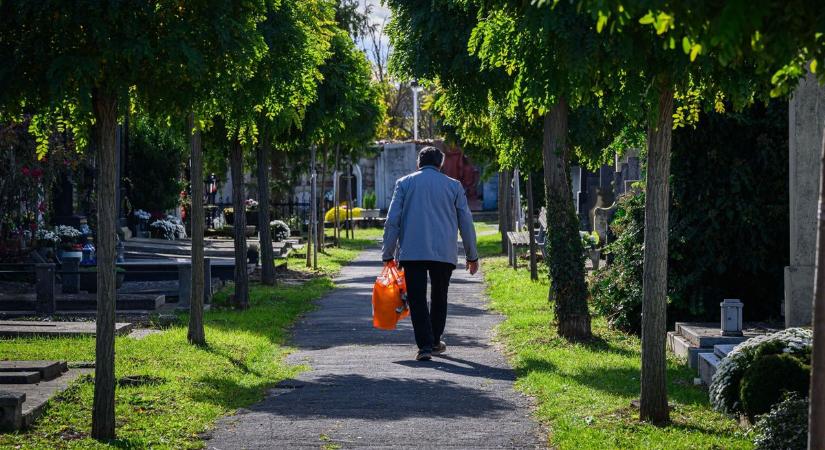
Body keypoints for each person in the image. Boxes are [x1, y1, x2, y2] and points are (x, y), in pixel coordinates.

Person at [382, 146, 479, 361]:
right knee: (439, 296)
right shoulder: (454, 186)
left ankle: (424, 346)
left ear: (418, 163)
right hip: (443, 252)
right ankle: (435, 340)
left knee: (416, 298)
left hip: (412, 252)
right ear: (440, 164)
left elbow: (392, 221)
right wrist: (472, 255)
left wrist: (387, 253)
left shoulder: (404, 183)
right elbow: (466, 222)